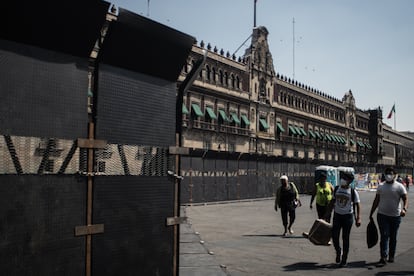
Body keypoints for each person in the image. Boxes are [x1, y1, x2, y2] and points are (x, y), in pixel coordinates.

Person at [369, 167, 408, 266]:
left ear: (394, 175)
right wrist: (371, 212)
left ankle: (391, 255)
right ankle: (383, 257)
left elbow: (405, 199)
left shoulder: (399, 186)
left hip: (395, 216)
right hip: (382, 215)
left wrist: (404, 209)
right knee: (384, 235)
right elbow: (376, 200)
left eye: (390, 173)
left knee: (393, 236)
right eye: (387, 173)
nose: (388, 175)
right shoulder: (381, 186)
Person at [326, 171, 361, 267]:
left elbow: (358, 204)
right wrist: (327, 214)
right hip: (337, 216)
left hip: (348, 217)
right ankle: (338, 251)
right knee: (334, 236)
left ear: (349, 181)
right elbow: (332, 201)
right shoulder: (337, 188)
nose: (342, 180)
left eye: (345, 178)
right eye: (342, 178)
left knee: (345, 238)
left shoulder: (353, 192)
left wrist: (358, 218)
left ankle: (344, 259)